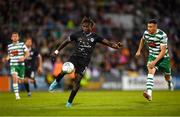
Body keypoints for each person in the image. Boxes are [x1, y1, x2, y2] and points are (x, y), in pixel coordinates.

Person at [49, 17, 123, 108]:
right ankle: (56, 82)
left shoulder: (95, 37)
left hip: (84, 61)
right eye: (83, 26)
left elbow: (108, 43)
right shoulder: (77, 34)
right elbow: (66, 42)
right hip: (75, 57)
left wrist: (116, 46)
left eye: (86, 26)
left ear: (91, 27)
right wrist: (56, 51)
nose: (84, 28)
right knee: (65, 69)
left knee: (77, 81)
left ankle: (69, 103)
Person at [135, 19, 174, 101]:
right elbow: (142, 40)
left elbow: (163, 51)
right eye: (148, 26)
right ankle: (149, 93)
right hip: (152, 56)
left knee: (167, 76)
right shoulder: (146, 33)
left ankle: (170, 82)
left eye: (150, 27)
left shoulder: (162, 35)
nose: (148, 28)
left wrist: (155, 62)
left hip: (164, 58)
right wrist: (139, 50)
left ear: (155, 27)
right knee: (150, 71)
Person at [6, 32, 29, 100]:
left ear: (18, 38)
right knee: (15, 78)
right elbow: (10, 54)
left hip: (21, 65)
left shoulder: (22, 44)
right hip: (13, 64)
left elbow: (27, 53)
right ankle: (17, 95)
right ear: (11, 38)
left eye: (16, 36)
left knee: (20, 81)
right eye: (14, 36)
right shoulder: (9, 46)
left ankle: (22, 80)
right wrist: (7, 58)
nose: (15, 37)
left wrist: (23, 58)